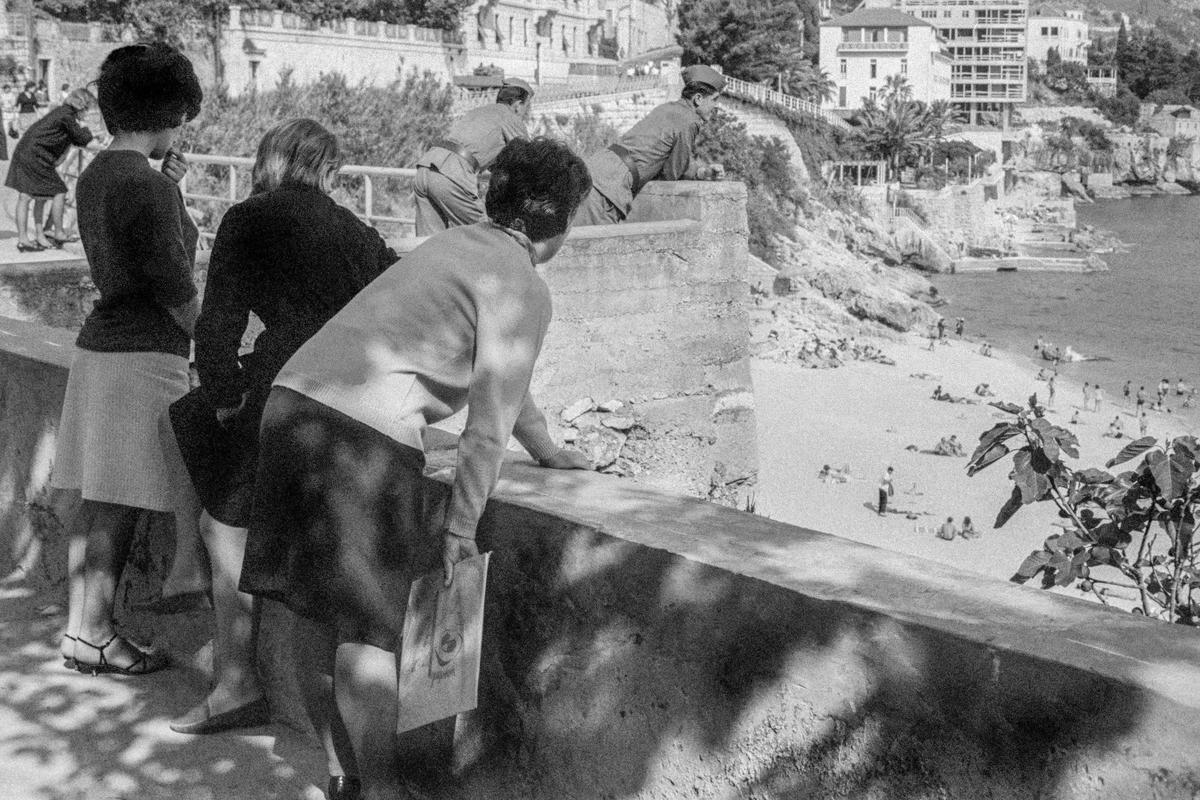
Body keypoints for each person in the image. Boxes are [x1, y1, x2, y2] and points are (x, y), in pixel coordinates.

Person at [239, 137, 593, 798]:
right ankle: (381, 788)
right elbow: (489, 421)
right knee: (368, 632)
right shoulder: (523, 284)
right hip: (361, 436)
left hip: (291, 407)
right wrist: (460, 530)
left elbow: (503, 380)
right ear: (564, 222)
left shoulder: (447, 249)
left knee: (311, 617)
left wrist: (544, 445)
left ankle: (340, 774)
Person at [169, 120, 399, 757]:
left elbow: (218, 322)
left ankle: (236, 680)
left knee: (226, 528)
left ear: (269, 161)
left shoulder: (248, 218)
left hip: (282, 385)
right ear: (328, 169)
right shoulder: (358, 231)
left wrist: (222, 393)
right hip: (352, 397)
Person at [51, 43, 204, 675]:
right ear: (167, 112)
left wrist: (172, 190)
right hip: (143, 355)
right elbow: (175, 284)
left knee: (98, 499)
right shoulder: (145, 184)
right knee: (122, 500)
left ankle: (81, 631)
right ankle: (95, 633)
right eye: (179, 120)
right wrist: (211, 345)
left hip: (100, 349)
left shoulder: (97, 173)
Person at [575, 64, 726, 226]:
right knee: (598, 246)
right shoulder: (689, 121)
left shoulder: (668, 108)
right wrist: (698, 173)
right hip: (609, 187)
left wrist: (702, 172)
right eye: (714, 99)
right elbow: (672, 172)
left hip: (596, 169)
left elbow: (671, 160)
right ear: (698, 99)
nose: (717, 105)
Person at [412, 77, 533, 235]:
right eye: (527, 107)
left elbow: (483, 152)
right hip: (451, 174)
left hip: (426, 168)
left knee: (429, 244)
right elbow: (530, 158)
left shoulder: (478, 112)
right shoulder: (509, 116)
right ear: (518, 105)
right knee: (489, 235)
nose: (525, 113)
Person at [5, 87, 95, 252]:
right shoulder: (67, 116)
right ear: (82, 106)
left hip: (28, 152)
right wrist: (87, 128)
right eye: (87, 109)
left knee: (32, 196)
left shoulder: (62, 112)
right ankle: (58, 232)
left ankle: (34, 237)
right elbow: (82, 139)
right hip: (36, 156)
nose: (87, 112)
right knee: (58, 191)